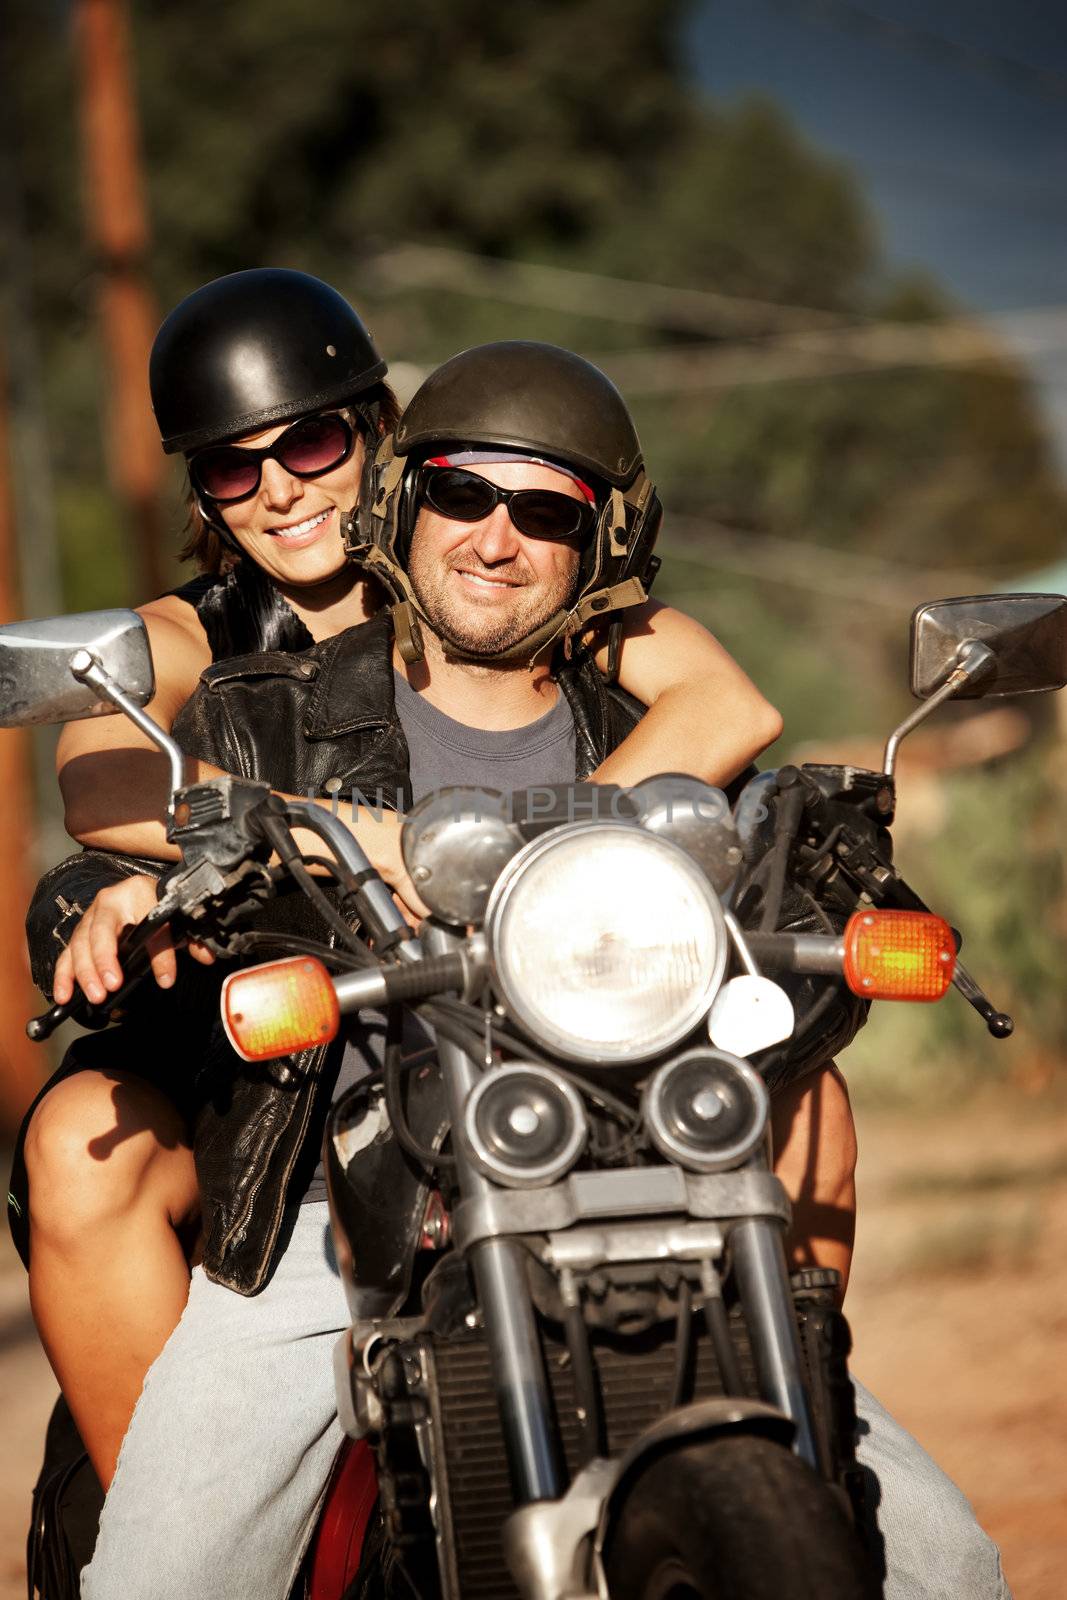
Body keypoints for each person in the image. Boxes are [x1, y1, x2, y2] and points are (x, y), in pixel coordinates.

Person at [30, 341, 1005, 1600]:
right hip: (354, 1213)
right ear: (400, 500)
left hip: (655, 1179)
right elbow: (130, 809)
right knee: (163, 1580)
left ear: (598, 543)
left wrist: (834, 868)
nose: (495, 537)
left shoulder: (653, 736)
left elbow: (765, 781)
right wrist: (162, 887)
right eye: (460, 496)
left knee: (952, 1569)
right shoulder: (261, 715)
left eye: (544, 510)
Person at [14, 280, 783, 1498]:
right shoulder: (197, 631)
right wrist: (384, 841)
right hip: (278, 1018)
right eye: (231, 467)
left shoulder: (490, 568)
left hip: (512, 1002)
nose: (280, 488)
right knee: (76, 1145)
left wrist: (538, 852)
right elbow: (108, 787)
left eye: (311, 441)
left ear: (381, 433)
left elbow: (729, 706)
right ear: (202, 491)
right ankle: (171, 1511)